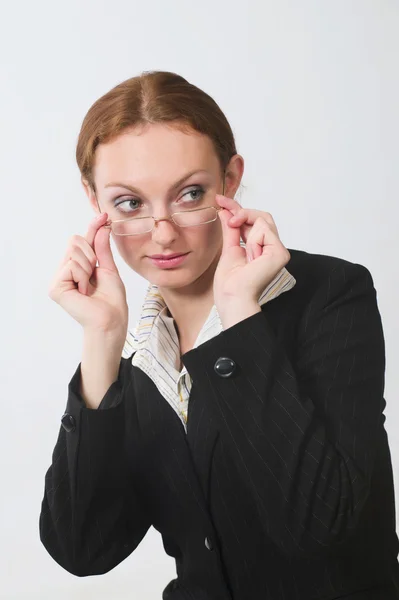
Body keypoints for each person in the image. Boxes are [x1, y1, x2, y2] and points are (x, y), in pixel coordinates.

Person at [39, 70, 399, 600]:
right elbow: (83, 549)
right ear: (95, 201)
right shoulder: (134, 354)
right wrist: (103, 341)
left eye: (189, 194)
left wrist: (239, 315)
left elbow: (320, 526)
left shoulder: (330, 295)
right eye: (130, 203)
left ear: (230, 180)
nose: (162, 233)